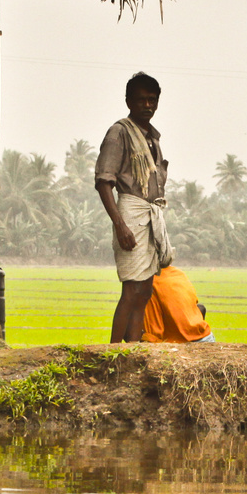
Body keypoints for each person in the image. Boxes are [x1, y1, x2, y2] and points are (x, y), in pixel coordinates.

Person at [95, 72, 172, 342]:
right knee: (131, 290)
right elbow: (104, 182)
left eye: (152, 100)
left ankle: (133, 350)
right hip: (130, 214)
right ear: (128, 101)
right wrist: (120, 225)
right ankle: (114, 354)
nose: (147, 105)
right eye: (141, 100)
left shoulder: (153, 138)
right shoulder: (119, 132)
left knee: (145, 291)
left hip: (150, 214)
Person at [143, 266, 215, 343]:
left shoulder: (148, 283)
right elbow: (195, 304)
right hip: (206, 336)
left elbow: (153, 333)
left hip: (181, 344)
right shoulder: (178, 273)